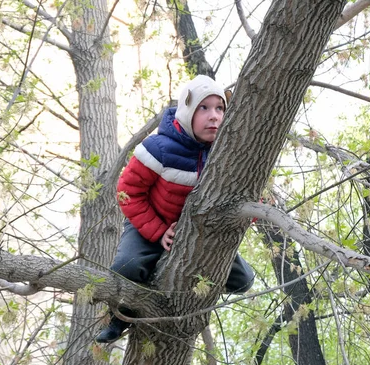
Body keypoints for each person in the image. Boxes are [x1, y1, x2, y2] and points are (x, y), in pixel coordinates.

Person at [96, 75, 255, 344]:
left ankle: (183, 281)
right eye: (204, 108)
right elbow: (128, 194)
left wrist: (253, 211)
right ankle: (120, 318)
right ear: (187, 111)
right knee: (128, 266)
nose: (214, 116)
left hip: (197, 235)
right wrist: (159, 232)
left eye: (219, 108)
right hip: (150, 223)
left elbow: (243, 201)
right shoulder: (158, 148)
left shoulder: (229, 153)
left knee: (244, 281)